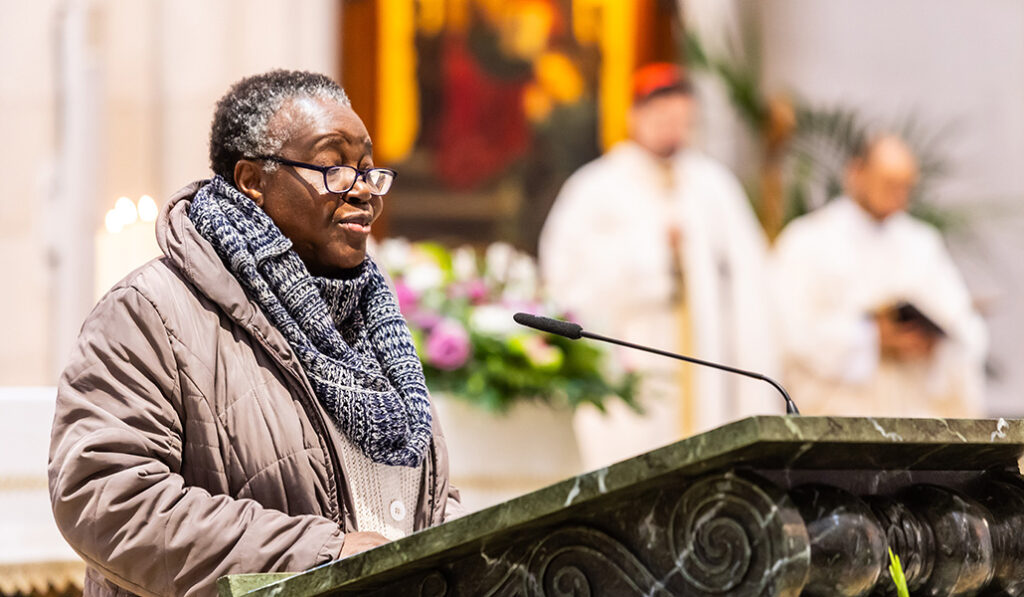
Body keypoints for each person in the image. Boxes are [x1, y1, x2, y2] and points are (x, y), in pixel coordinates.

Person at [48, 70, 460, 597]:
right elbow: (105, 499)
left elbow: (429, 501)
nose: (363, 191)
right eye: (333, 166)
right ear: (252, 180)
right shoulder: (150, 313)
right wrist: (321, 556)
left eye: (367, 169)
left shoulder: (375, 325)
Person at [539, 63, 780, 470]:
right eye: (662, 116)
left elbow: (753, 286)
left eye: (683, 119)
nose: (673, 128)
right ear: (635, 115)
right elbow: (564, 284)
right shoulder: (595, 187)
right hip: (632, 360)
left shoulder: (714, 186)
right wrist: (653, 249)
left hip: (706, 364)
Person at [771, 134, 987, 417]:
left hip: (911, 418)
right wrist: (871, 338)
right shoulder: (807, 242)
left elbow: (966, 330)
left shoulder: (922, 243)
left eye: (905, 186)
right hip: (838, 420)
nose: (898, 195)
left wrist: (933, 345)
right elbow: (788, 332)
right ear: (856, 173)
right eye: (888, 183)